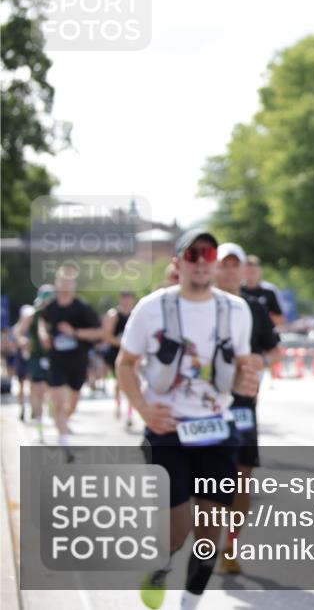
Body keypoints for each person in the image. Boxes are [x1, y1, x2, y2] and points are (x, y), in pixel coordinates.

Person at [117, 229, 258, 610]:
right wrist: (144, 409)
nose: (200, 261)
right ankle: (160, 564)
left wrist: (250, 374)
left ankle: (189, 602)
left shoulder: (235, 310)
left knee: (209, 529)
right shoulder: (151, 308)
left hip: (216, 428)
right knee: (177, 529)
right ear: (178, 264)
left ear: (214, 261)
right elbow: (125, 364)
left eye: (207, 253)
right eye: (192, 254)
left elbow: (244, 363)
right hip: (167, 430)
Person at [213, 242, 280, 576]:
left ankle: (231, 545)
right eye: (222, 264)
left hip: (242, 405)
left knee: (241, 477)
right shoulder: (200, 304)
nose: (228, 270)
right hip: (204, 404)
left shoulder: (254, 307)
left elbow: (274, 350)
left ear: (243, 270)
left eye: (233, 265)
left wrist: (259, 361)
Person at [38, 266, 103, 460]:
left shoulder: (82, 308)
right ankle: (64, 441)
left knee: (72, 405)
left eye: (69, 282)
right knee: (58, 400)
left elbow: (98, 333)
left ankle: (62, 423)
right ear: (57, 284)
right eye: (62, 282)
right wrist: (43, 335)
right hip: (57, 361)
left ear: (74, 285)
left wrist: (74, 332)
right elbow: (42, 321)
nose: (65, 286)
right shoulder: (50, 307)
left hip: (78, 361)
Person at [18, 285, 55, 439]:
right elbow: (20, 333)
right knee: (37, 389)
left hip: (54, 358)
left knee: (52, 390)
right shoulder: (32, 315)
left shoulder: (58, 314)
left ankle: (54, 415)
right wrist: (25, 341)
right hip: (36, 357)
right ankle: (39, 421)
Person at [103, 290, 136, 428]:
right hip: (116, 352)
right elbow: (107, 336)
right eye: (124, 298)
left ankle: (130, 412)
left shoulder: (136, 313)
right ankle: (118, 405)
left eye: (129, 298)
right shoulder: (114, 315)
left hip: (133, 352)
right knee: (119, 382)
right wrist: (122, 343)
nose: (127, 301)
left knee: (133, 381)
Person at [242, 254, 286, 328]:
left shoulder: (269, 292)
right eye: (248, 271)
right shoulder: (238, 291)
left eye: (253, 271)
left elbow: (280, 320)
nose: (251, 275)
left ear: (260, 271)